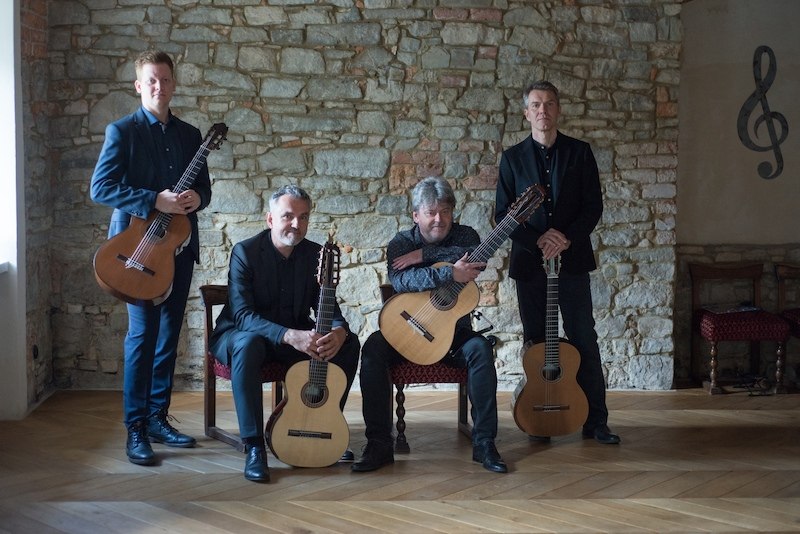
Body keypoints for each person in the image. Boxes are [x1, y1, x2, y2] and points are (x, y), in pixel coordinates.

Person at [90, 51, 212, 465]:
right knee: (142, 338)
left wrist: (197, 199)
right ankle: (135, 428)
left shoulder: (190, 134)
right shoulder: (121, 131)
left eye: (165, 79)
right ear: (138, 86)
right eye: (151, 80)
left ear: (174, 84)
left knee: (168, 338)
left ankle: (159, 418)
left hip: (178, 250)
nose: (159, 86)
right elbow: (100, 188)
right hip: (135, 250)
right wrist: (151, 199)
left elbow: (204, 192)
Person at [353, 176, 508, 474]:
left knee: (480, 351)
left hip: (452, 335)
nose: (439, 219)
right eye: (431, 213)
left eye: (445, 212)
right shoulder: (400, 242)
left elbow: (479, 254)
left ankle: (485, 442)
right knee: (372, 348)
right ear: (415, 215)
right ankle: (378, 444)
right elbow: (402, 281)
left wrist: (424, 255)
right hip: (407, 328)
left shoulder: (466, 236)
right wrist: (449, 274)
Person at [495, 80, 620, 445]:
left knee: (584, 338)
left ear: (558, 110)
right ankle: (539, 416)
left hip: (573, 260)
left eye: (549, 104)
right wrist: (537, 239)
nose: (543, 111)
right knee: (536, 341)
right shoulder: (512, 158)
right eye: (536, 104)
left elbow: (592, 206)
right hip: (529, 263)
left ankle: (596, 421)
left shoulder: (580, 153)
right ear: (526, 112)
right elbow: (501, 214)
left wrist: (564, 238)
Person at [209, 185, 361, 482]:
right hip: (240, 335)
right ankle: (254, 447)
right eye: (288, 216)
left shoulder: (316, 254)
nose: (296, 224)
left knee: (349, 344)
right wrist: (291, 335)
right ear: (270, 219)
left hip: (292, 338)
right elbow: (242, 315)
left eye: (303, 217)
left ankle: (326, 423)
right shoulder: (246, 252)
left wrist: (340, 332)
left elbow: (329, 308)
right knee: (249, 344)